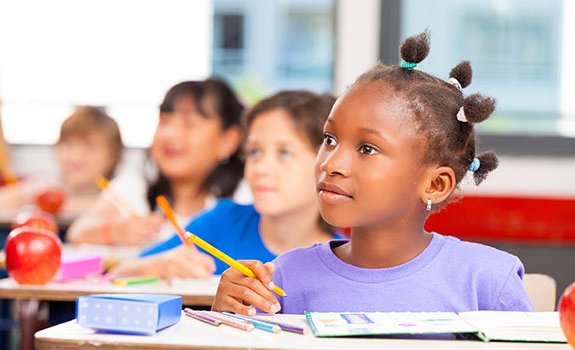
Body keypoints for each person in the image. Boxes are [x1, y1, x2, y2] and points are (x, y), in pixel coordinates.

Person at [211, 31, 535, 316]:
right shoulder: (281, 278)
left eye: (367, 148)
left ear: (436, 184)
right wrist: (225, 318)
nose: (331, 163)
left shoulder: (488, 281)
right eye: (329, 140)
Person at [110, 90, 343, 278]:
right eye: (254, 152)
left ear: (326, 163)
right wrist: (161, 265)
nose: (260, 167)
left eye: (284, 153)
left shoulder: (347, 256)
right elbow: (117, 274)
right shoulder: (222, 222)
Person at [66, 79, 245, 246]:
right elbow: (76, 233)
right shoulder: (136, 186)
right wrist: (114, 231)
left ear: (227, 140)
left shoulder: (243, 199)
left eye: (189, 123)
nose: (170, 134)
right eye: (165, 123)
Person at [0, 106, 123, 213]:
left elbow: (116, 207)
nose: (75, 155)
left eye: (89, 146)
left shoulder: (121, 192)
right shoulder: (46, 187)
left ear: (113, 157)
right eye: (68, 145)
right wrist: (5, 199)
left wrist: (64, 205)